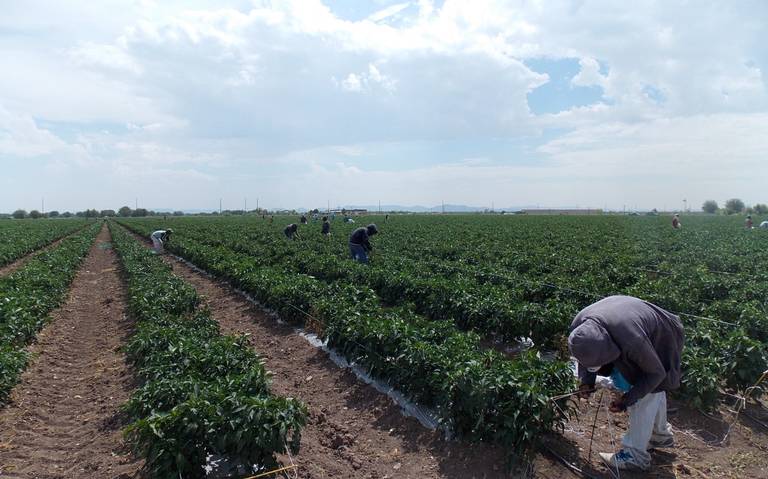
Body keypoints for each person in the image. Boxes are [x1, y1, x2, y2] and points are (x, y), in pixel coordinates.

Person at [568, 295, 684, 472]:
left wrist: (627, 400)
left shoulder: (631, 340)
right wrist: (587, 382)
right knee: (650, 389)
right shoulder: (579, 328)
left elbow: (655, 373)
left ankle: (635, 456)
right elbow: (586, 356)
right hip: (632, 324)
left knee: (645, 390)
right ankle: (659, 435)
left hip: (662, 334)